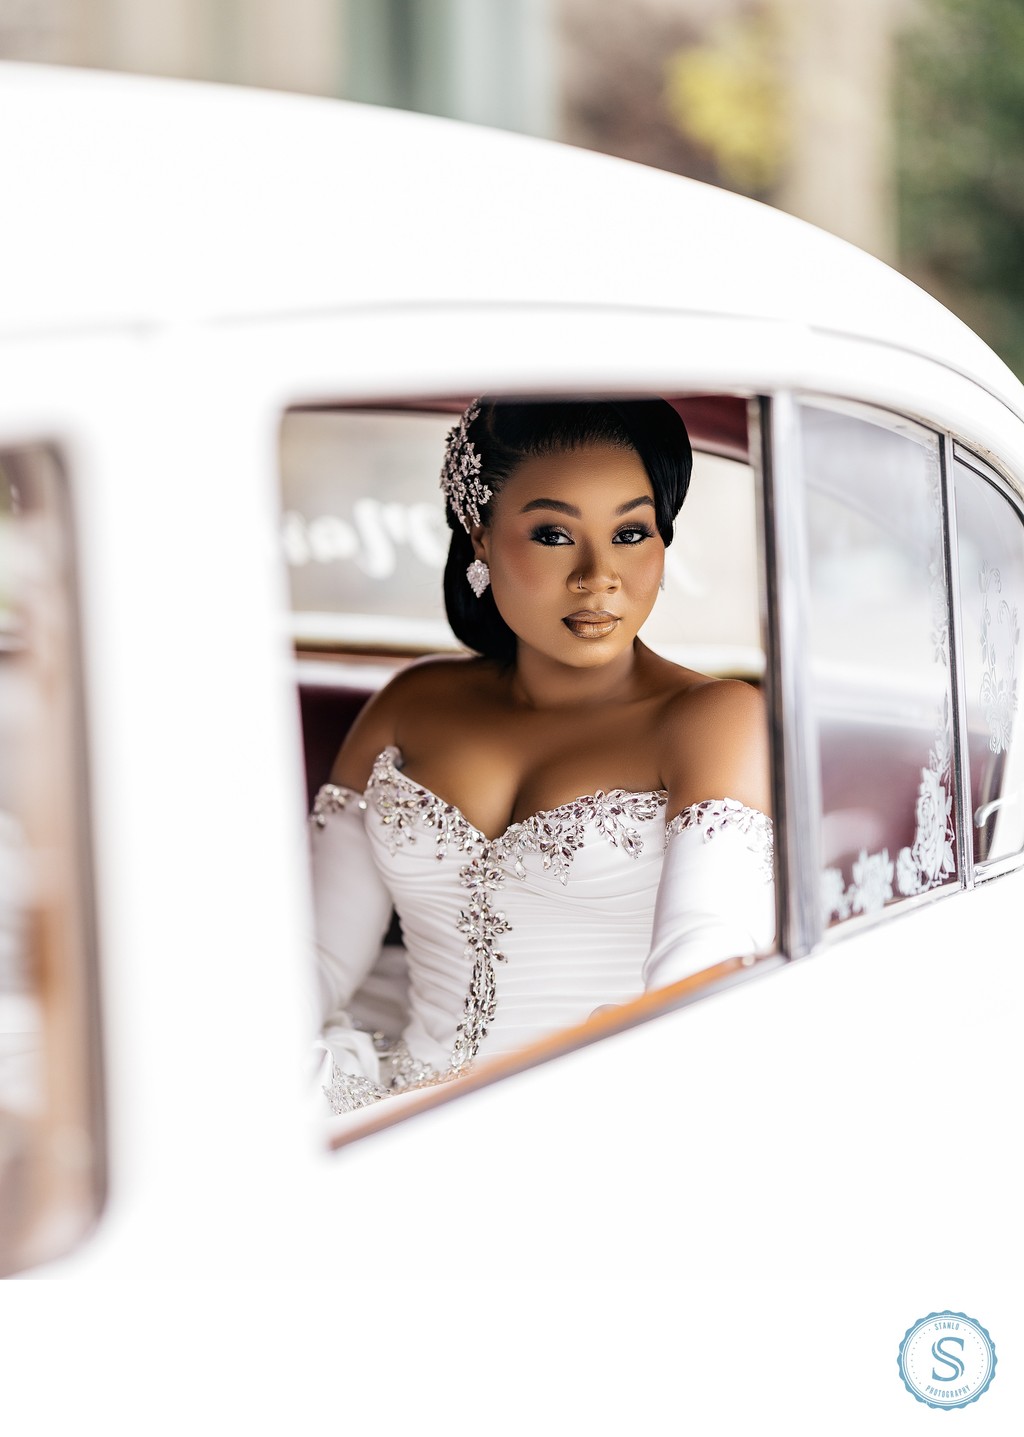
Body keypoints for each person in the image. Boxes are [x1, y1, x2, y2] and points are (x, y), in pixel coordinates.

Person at [308, 397, 774, 1116]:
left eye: (630, 532)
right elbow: (320, 959)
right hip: (389, 1109)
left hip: (603, 1113)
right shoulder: (410, 705)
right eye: (555, 533)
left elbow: (700, 971)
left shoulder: (715, 721)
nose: (598, 576)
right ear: (482, 537)